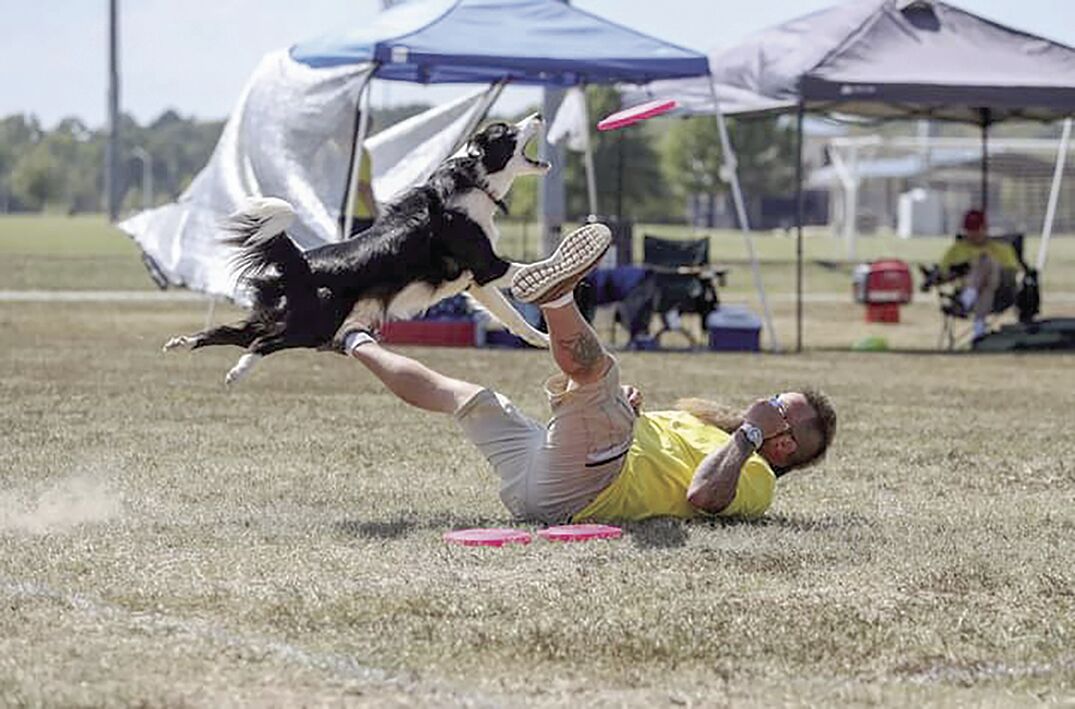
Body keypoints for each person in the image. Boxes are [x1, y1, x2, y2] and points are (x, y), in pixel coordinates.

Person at [333, 224, 837, 523]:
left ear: (785, 445)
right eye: (772, 397)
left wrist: (749, 436)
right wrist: (631, 412)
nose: (763, 404)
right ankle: (352, 337)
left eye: (776, 409)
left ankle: (556, 297)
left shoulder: (754, 478)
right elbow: (648, 450)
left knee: (600, 374)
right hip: (542, 479)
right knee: (465, 395)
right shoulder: (707, 427)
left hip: (585, 492)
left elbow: (703, 496)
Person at [939, 209, 1020, 339]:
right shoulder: (956, 250)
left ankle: (965, 301)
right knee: (985, 288)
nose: (973, 234)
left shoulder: (1001, 248)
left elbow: (1012, 272)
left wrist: (982, 266)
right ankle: (979, 331)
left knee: (986, 262)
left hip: (1000, 292)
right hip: (975, 290)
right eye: (969, 229)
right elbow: (943, 272)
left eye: (977, 229)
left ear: (985, 228)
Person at [341, 145, 378, 237]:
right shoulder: (358, 153)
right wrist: (376, 215)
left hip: (339, 213)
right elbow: (362, 187)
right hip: (360, 216)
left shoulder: (331, 149)